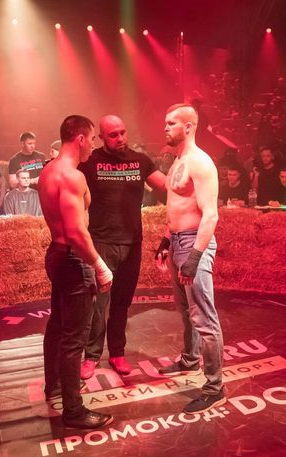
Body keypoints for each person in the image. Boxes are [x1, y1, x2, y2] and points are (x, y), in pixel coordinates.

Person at [39, 115, 114, 429]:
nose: (94, 146)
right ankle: (74, 411)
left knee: (58, 326)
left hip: (57, 255)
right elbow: (76, 233)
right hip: (73, 258)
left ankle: (55, 385)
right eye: (93, 139)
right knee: (74, 338)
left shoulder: (48, 171)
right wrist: (99, 265)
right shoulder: (71, 176)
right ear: (81, 138)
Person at [78, 115, 166, 379]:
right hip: (102, 242)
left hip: (132, 244)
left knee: (121, 303)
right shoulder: (91, 161)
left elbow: (168, 186)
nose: (120, 139)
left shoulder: (140, 161)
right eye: (113, 135)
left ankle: (117, 353)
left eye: (122, 133)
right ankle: (91, 357)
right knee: (98, 305)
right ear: (102, 137)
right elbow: (63, 171)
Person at [155, 103, 225, 414]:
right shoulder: (177, 161)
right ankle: (189, 359)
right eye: (165, 122)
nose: (165, 128)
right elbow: (177, 208)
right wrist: (165, 240)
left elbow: (210, 215)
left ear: (189, 127)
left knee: (204, 318)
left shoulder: (201, 163)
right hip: (179, 241)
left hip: (195, 243)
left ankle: (215, 386)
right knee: (186, 312)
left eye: (172, 123)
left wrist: (195, 256)